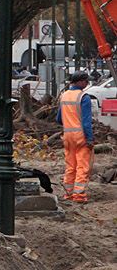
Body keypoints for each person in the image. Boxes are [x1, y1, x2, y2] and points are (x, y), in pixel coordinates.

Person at [56, 72, 94, 203]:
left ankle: (68, 193)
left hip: (67, 136)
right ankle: (79, 195)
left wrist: (69, 123)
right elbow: (86, 122)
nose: (87, 84)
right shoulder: (84, 97)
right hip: (80, 136)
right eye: (86, 81)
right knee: (82, 165)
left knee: (70, 165)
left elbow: (59, 119)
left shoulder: (64, 95)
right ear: (80, 81)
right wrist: (89, 139)